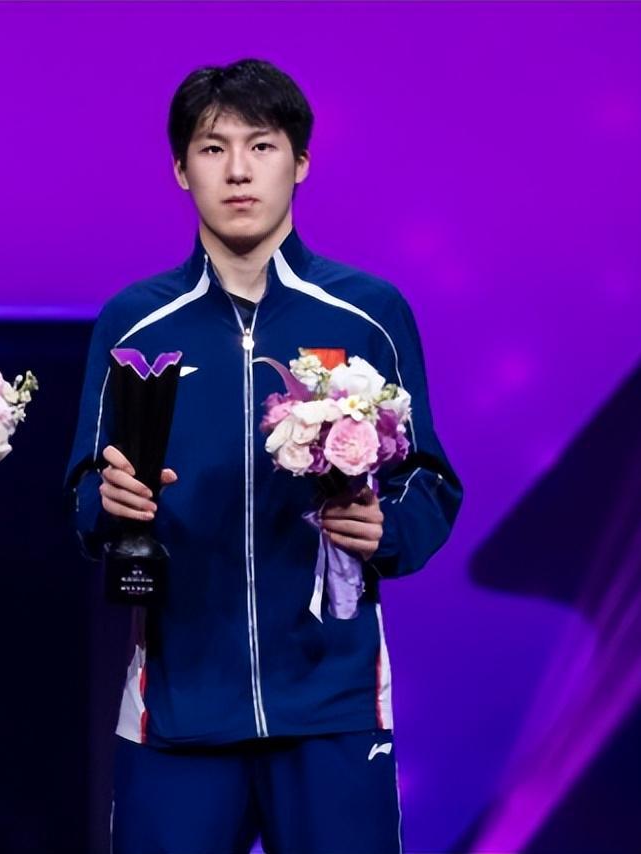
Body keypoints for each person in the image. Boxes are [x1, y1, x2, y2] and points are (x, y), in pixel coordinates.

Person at [65, 59, 463, 854]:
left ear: (300, 162)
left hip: (332, 705)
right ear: (181, 170)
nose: (239, 171)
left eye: (262, 145)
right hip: (177, 710)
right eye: (213, 149)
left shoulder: (367, 311)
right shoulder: (135, 321)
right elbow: (82, 491)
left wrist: (385, 530)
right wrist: (107, 506)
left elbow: (427, 477)